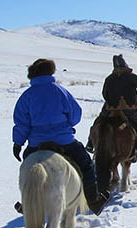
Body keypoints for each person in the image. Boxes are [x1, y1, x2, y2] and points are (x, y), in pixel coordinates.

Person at [12, 58, 108, 215]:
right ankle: (93, 199)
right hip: (64, 141)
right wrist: (65, 126)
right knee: (86, 165)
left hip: (37, 143)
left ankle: (27, 202)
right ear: (50, 72)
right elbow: (75, 115)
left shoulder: (27, 95)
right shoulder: (60, 91)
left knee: (27, 169)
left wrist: (18, 143)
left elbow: (22, 123)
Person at [87, 54, 137, 156]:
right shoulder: (132, 77)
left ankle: (90, 143)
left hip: (110, 109)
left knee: (98, 122)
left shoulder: (109, 78)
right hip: (130, 110)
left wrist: (111, 103)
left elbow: (104, 93)